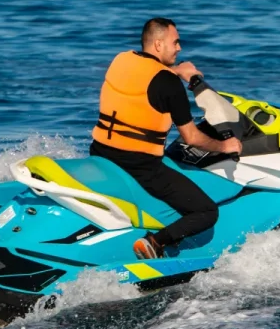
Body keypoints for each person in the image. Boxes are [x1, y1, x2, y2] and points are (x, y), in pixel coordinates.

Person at [91, 18, 242, 260]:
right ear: (159, 45)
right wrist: (226, 145)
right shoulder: (169, 84)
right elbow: (191, 138)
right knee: (205, 211)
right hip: (140, 166)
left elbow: (145, 78)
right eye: (176, 42)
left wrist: (176, 71)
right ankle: (154, 242)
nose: (180, 48)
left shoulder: (121, 60)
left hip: (100, 151)